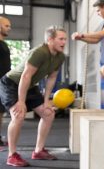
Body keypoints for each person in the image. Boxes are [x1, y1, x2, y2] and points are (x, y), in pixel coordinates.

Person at [0, 26, 67, 167]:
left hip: (29, 85)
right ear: (50, 40)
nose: (64, 42)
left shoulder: (60, 57)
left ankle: (38, 151)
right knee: (18, 114)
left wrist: (46, 100)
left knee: (48, 114)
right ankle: (12, 155)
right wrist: (21, 101)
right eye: (61, 39)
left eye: (65, 39)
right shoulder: (39, 52)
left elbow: (51, 78)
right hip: (11, 83)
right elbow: (25, 76)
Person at [0, 16, 12, 147]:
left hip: (3, 83)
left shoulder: (3, 44)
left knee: (0, 112)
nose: (9, 28)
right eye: (6, 25)